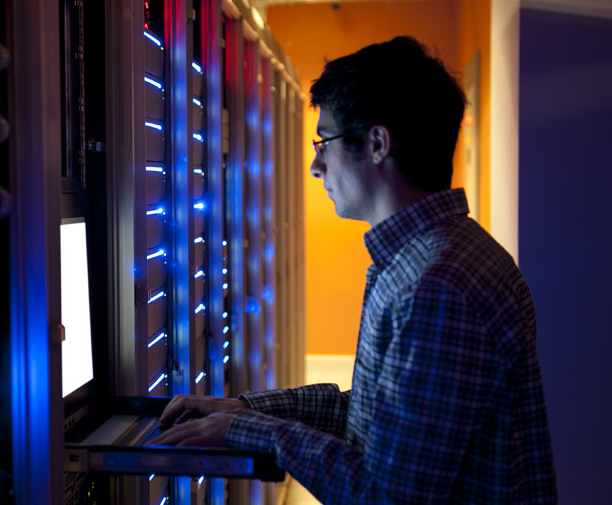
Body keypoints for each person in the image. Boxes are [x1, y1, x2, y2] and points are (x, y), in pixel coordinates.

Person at [151, 36, 557, 504]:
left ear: (378, 143)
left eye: (325, 140)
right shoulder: (433, 258)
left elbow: (386, 496)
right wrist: (244, 411)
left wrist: (255, 432)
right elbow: (372, 417)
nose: (315, 165)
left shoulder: (440, 287)